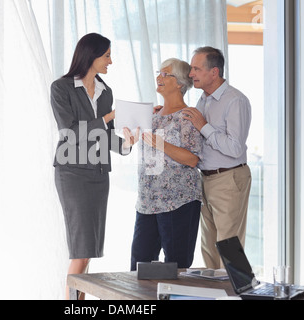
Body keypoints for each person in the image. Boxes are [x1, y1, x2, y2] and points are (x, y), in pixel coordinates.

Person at [50, 33, 139, 299]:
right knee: (81, 249)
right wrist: (109, 117)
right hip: (73, 173)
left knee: (88, 251)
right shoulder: (61, 88)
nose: (110, 61)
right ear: (91, 55)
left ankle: (79, 301)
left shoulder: (105, 91)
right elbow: (70, 132)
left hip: (99, 175)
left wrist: (127, 144)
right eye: (107, 55)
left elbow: (105, 135)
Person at [130, 58, 203, 271]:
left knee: (176, 267)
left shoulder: (188, 116)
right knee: (139, 267)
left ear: (180, 83)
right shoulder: (152, 116)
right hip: (147, 202)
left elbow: (193, 159)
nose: (158, 78)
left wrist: (162, 144)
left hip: (178, 201)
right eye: (158, 73)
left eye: (165, 74)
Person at [183, 46, 252, 269]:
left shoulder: (235, 101)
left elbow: (234, 147)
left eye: (196, 68)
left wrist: (204, 126)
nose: (191, 73)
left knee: (229, 247)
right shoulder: (203, 100)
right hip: (206, 179)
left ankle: (235, 294)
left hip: (229, 179)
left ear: (214, 72)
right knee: (209, 248)